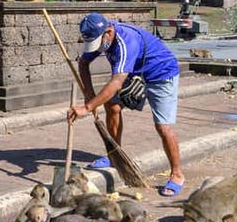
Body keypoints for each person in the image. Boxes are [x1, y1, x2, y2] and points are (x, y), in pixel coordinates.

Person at [67, 12, 184, 197]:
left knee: (163, 127)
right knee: (111, 106)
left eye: (98, 43)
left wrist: (87, 108)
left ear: (108, 32)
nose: (97, 48)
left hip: (161, 74)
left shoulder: (125, 42)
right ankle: (115, 155)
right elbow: (83, 64)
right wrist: (89, 94)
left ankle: (177, 174)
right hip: (135, 72)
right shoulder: (100, 36)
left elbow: (116, 83)